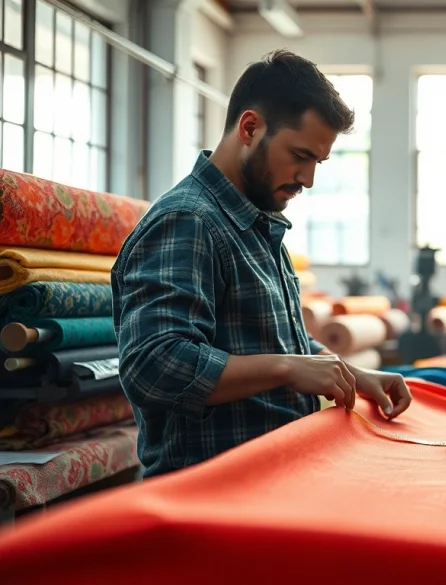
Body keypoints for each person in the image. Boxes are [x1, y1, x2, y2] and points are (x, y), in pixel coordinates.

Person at [112, 50, 412, 478]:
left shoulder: (256, 221)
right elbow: (154, 367)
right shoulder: (188, 221)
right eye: (300, 155)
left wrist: (354, 373)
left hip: (269, 481)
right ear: (250, 127)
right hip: (211, 494)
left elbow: (274, 343)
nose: (308, 179)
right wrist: (288, 369)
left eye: (317, 163)